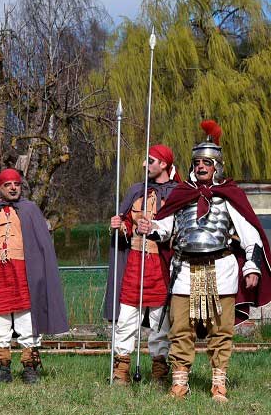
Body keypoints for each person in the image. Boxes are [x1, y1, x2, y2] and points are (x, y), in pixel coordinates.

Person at [138, 121, 271, 400]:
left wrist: (251, 266)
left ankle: (219, 383)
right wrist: (152, 227)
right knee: (180, 329)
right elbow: (166, 226)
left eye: (206, 163)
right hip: (185, 269)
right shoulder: (182, 193)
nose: (201, 167)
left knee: (220, 331)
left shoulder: (229, 196)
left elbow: (251, 236)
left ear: (217, 166)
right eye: (197, 162)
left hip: (220, 268)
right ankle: (180, 383)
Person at [0, 169, 68, 383]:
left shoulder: (30, 210)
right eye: (8, 184)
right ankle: (2, 370)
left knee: (27, 323)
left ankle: (30, 369)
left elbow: (41, 248)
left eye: (16, 184)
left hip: (23, 276)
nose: (13, 187)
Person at [103, 144, 180, 384]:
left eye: (151, 160)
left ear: (164, 164)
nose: (145, 165)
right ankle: (121, 371)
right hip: (135, 265)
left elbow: (182, 229)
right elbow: (127, 223)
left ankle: (159, 371)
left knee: (161, 322)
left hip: (161, 266)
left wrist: (159, 230)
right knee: (126, 319)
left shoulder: (178, 193)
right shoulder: (137, 190)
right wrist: (120, 226)